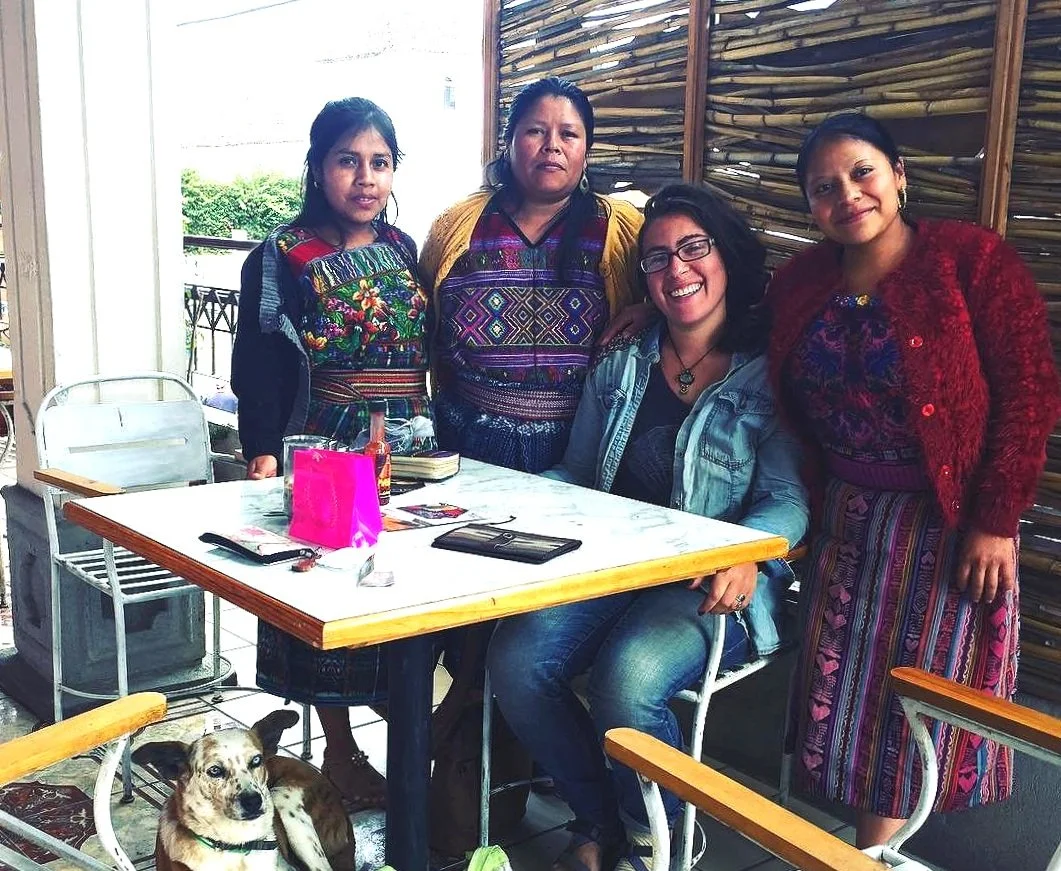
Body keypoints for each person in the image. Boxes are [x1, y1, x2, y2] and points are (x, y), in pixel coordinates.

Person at [488, 183, 809, 871]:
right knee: (516, 661)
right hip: (610, 565)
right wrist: (499, 501)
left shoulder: (766, 376)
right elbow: (577, 472)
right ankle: (601, 816)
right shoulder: (623, 362)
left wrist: (745, 553)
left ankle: (654, 838)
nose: (676, 270)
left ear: (727, 258)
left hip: (708, 582)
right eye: (657, 258)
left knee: (627, 677)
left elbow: (787, 499)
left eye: (693, 249)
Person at [767, 112, 1061, 849]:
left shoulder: (971, 263)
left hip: (945, 526)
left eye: (862, 172)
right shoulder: (802, 282)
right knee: (846, 699)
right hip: (845, 519)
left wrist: (994, 519)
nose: (847, 195)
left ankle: (866, 854)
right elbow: (739, 335)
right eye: (823, 187)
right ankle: (862, 851)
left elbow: (1029, 391)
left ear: (898, 175)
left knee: (909, 705)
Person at [231, 97, 432, 810]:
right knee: (330, 592)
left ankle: (413, 735)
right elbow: (256, 360)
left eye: (379, 162)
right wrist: (261, 449)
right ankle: (340, 750)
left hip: (405, 442)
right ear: (318, 167)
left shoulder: (405, 249)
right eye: (348, 160)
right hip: (324, 442)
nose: (365, 177)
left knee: (402, 585)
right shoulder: (282, 253)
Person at [419, 76, 643, 473]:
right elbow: (425, 324)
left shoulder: (619, 229)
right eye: (536, 131)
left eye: (569, 134)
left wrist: (651, 310)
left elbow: (675, 292)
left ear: (586, 151)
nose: (551, 145)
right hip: (465, 441)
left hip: (584, 449)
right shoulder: (456, 227)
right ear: (508, 143)